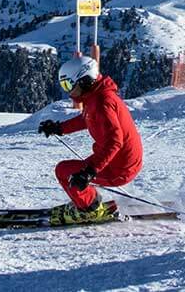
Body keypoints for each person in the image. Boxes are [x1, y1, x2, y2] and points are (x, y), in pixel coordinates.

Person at [37, 56, 144, 225]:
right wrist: (59, 128)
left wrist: (89, 172)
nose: (67, 91)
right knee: (71, 172)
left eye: (68, 85)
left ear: (84, 80)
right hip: (121, 161)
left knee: (65, 171)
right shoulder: (97, 97)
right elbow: (87, 119)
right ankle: (88, 201)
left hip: (120, 168)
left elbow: (115, 142)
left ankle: (90, 209)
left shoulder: (102, 103)